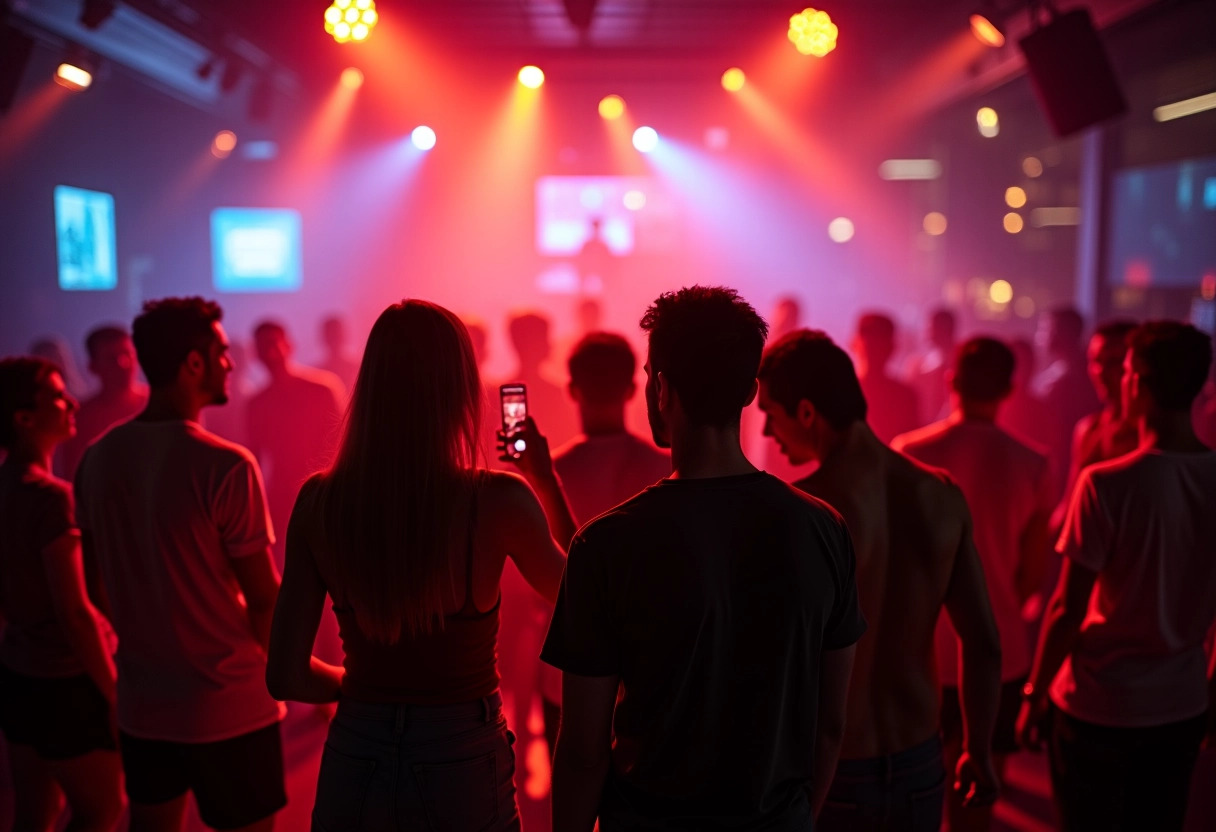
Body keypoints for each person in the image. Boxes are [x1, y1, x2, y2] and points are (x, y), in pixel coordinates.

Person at [542, 286, 865, 830]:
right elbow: (829, 724)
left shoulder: (606, 544)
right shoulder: (822, 529)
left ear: (661, 388)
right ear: (748, 392)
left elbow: (583, 749)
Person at [265, 300, 573, 831]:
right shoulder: (496, 499)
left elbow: (285, 674)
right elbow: (581, 596)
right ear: (459, 390)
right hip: (461, 748)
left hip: (358, 742)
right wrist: (545, 480)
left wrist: (359, 685)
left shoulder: (319, 502)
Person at [757, 329, 1002, 832]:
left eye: (769, 412)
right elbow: (983, 642)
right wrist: (978, 749)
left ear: (807, 412)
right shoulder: (940, 494)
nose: (765, 431)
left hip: (832, 770)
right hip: (919, 758)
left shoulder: (802, 512)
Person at [74, 298, 286, 832]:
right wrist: (299, 673)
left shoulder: (96, 459)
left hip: (143, 706)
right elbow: (264, 600)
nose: (231, 362)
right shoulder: (226, 465)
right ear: (193, 363)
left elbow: (95, 587)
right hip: (232, 707)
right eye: (220, 352)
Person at [1016, 321, 1216, 832]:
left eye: (1123, 369)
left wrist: (1034, 694)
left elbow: (1067, 607)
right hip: (1182, 700)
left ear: (1138, 383)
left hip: (1100, 703)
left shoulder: (1107, 484)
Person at [892, 338, 1053, 832]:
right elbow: (1034, 574)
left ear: (951, 380)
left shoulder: (909, 452)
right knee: (978, 796)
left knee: (912, 797)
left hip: (921, 649)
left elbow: (893, 561)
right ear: (1010, 387)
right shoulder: (1034, 463)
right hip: (1001, 650)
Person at [0, 357, 123, 832]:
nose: (72, 400)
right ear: (23, 418)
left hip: (18, 671)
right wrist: (114, 693)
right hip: (64, 682)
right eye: (56, 394)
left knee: (34, 811)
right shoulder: (51, 497)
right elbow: (74, 612)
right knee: (101, 810)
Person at [539, 332, 671, 754]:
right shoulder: (667, 469)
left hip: (565, 670)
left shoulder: (550, 473)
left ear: (572, 389)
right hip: (649, 669)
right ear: (634, 389)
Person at [246, 320, 345, 570]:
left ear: (289, 345)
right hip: (282, 499)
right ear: (255, 353)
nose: (270, 351)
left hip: (325, 491)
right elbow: (255, 459)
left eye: (274, 343)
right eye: (263, 346)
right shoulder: (257, 404)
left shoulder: (322, 389)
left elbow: (341, 444)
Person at [1053, 320, 1139, 527]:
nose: (1101, 371)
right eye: (1095, 361)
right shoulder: (1088, 429)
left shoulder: (1150, 432)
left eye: (1114, 361)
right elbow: (1071, 503)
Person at [57, 326, 148, 481]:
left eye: (128, 354)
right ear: (93, 366)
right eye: (112, 358)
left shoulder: (158, 402)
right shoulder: (81, 418)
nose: (123, 363)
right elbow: (73, 475)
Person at [1033, 307, 1100, 500]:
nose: (1040, 336)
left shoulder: (1073, 379)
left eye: (1045, 329)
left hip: (1065, 467)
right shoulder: (1060, 371)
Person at [852, 312, 921, 443]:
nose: (874, 353)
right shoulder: (905, 396)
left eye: (878, 346)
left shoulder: (905, 397)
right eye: (870, 346)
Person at [906, 307, 957, 425]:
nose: (927, 330)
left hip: (947, 425)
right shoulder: (919, 364)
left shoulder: (958, 363)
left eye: (931, 326)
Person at [999, 338, 1051, 450]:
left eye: (1026, 364)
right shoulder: (993, 409)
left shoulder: (1041, 411)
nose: (1022, 371)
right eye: (1018, 365)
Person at [317, 314, 360, 395]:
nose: (334, 339)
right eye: (331, 335)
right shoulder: (318, 374)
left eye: (335, 334)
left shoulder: (358, 368)